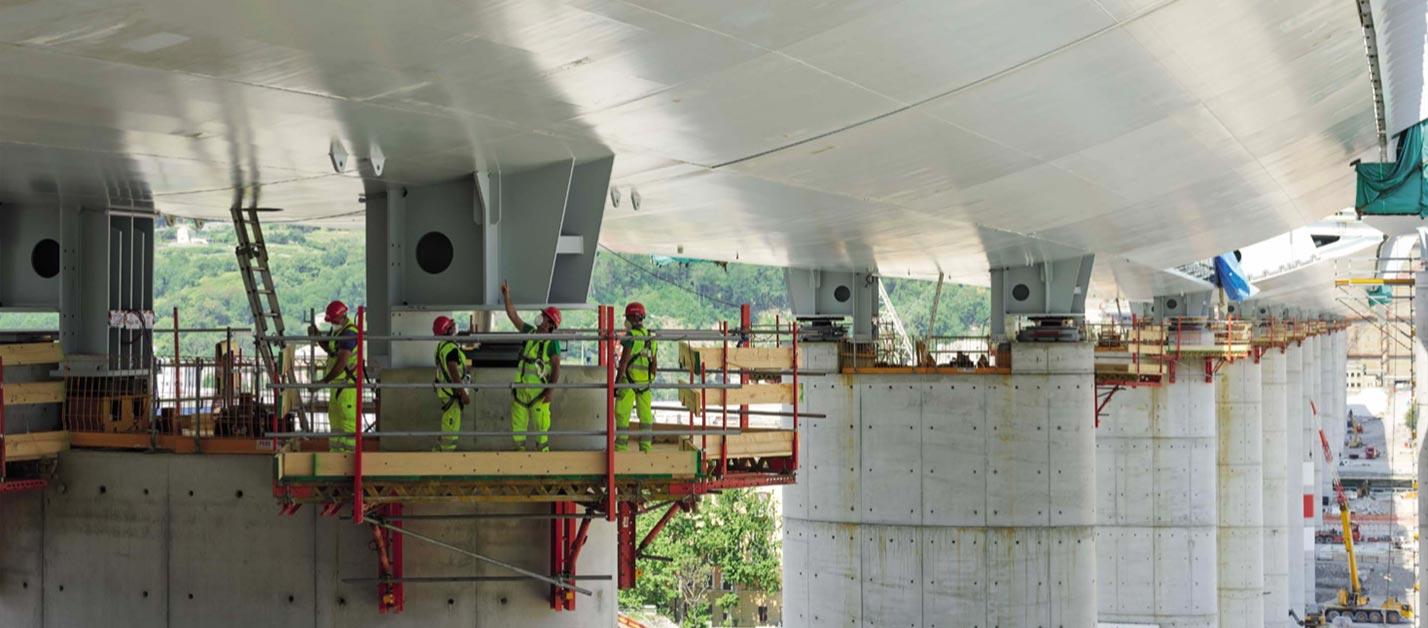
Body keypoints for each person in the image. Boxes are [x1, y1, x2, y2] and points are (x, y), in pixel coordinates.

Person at [500, 280, 561, 452]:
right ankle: (520, 467)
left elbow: (556, 367)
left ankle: (543, 469)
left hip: (539, 396)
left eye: (544, 317)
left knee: (541, 435)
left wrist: (550, 390)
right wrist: (506, 296)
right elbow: (514, 317)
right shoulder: (530, 333)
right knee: (517, 434)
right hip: (521, 394)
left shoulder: (552, 343)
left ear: (550, 324)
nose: (540, 318)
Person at [310, 300, 358, 452]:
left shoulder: (350, 333)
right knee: (336, 421)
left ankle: (350, 454)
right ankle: (336, 453)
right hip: (337, 384)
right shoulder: (337, 331)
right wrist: (317, 336)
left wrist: (323, 381)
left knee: (348, 420)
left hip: (347, 385)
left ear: (343, 317)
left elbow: (342, 362)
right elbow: (331, 349)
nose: (332, 323)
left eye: (334, 320)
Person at [615, 302, 656, 452]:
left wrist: (617, 383)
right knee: (645, 417)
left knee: (622, 414)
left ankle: (620, 448)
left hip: (628, 383)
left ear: (632, 318)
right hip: (645, 385)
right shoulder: (650, 337)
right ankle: (646, 449)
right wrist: (649, 380)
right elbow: (654, 365)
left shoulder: (630, 337)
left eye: (627, 317)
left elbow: (623, 362)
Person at [432, 315, 468, 452]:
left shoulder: (442, 346)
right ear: (447, 330)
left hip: (445, 392)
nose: (455, 328)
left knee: (447, 425)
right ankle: (445, 460)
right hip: (452, 393)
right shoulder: (451, 348)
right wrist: (462, 392)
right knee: (450, 430)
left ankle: (438, 456)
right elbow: (452, 369)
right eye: (451, 326)